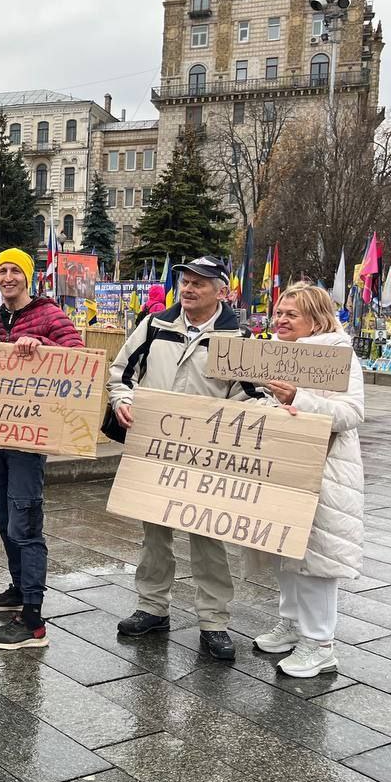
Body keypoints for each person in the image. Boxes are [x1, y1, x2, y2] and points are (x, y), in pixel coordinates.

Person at [107, 255, 259, 661]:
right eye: (185, 281)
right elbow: (122, 372)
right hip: (154, 450)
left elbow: (252, 397)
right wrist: (123, 401)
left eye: (199, 283)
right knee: (154, 532)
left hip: (208, 459)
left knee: (208, 537)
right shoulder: (155, 324)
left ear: (221, 291)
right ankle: (152, 607)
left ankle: (214, 622)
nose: (189, 289)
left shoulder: (238, 340)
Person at [0, 248, 83, 650]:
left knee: (25, 523)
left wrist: (42, 347)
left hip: (29, 441)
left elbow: (80, 358)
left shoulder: (49, 315)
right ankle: (18, 587)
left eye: (16, 270)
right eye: (2, 271)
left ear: (28, 277)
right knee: (1, 518)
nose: (8, 277)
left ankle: (33, 619)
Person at [253, 283, 364, 677]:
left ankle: (320, 644)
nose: (279, 320)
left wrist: (298, 397)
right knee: (284, 548)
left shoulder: (339, 357)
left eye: (290, 315)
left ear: (315, 320)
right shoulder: (277, 352)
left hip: (326, 473)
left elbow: (350, 413)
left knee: (316, 559)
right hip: (284, 467)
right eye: (278, 313)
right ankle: (293, 623)